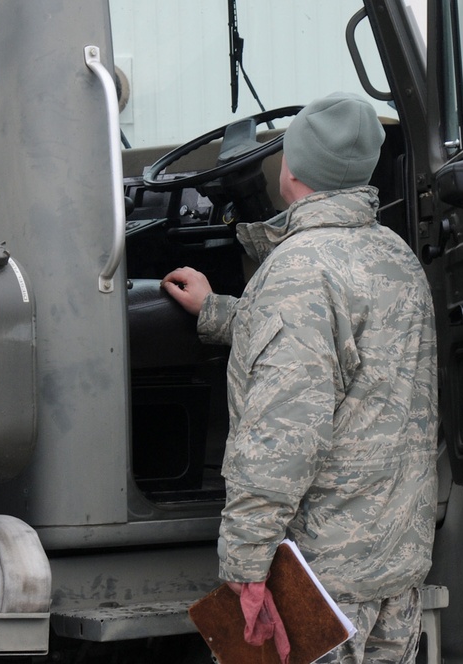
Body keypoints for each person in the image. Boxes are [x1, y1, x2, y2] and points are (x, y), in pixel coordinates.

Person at [162, 93, 438, 663]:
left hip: (323, 584)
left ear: (288, 168)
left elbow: (283, 438)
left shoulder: (298, 271)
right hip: (394, 568)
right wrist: (218, 310)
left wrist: (245, 564)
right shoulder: (395, 256)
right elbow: (345, 353)